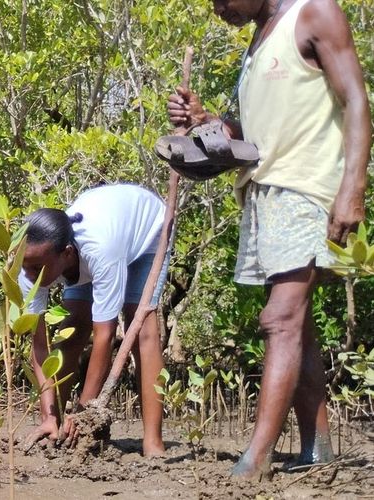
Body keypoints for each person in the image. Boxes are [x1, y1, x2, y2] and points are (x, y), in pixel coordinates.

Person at [168, 0, 369, 478]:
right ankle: (318, 448)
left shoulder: (314, 12)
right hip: (263, 194)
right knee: (297, 326)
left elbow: (356, 100)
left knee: (280, 318)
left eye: (222, 0)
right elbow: (257, 136)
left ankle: (253, 463)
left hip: (305, 189)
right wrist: (207, 120)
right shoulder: (259, 41)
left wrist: (352, 190)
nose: (219, 10)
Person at [17, 184, 170, 456]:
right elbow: (40, 348)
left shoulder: (101, 250)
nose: (31, 277)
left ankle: (153, 443)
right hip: (96, 242)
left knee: (142, 330)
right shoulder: (30, 266)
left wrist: (85, 414)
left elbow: (105, 336)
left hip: (146, 233)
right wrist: (47, 414)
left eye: (37, 269)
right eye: (25, 267)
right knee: (74, 327)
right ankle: (58, 425)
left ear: (66, 254)